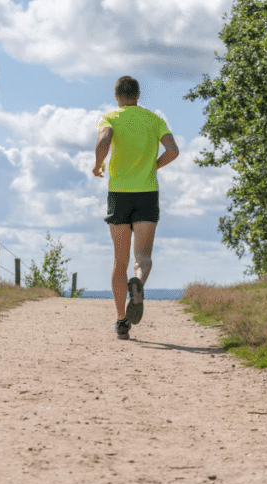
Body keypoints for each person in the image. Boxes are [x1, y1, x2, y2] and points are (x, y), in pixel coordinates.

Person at [92, 76, 179, 340]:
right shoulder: (154, 119)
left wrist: (98, 165)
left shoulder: (110, 118)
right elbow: (173, 151)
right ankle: (138, 284)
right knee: (143, 258)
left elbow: (104, 142)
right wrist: (154, 166)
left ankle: (121, 322)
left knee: (120, 261)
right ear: (138, 95)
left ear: (117, 96)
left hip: (119, 194)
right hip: (147, 194)